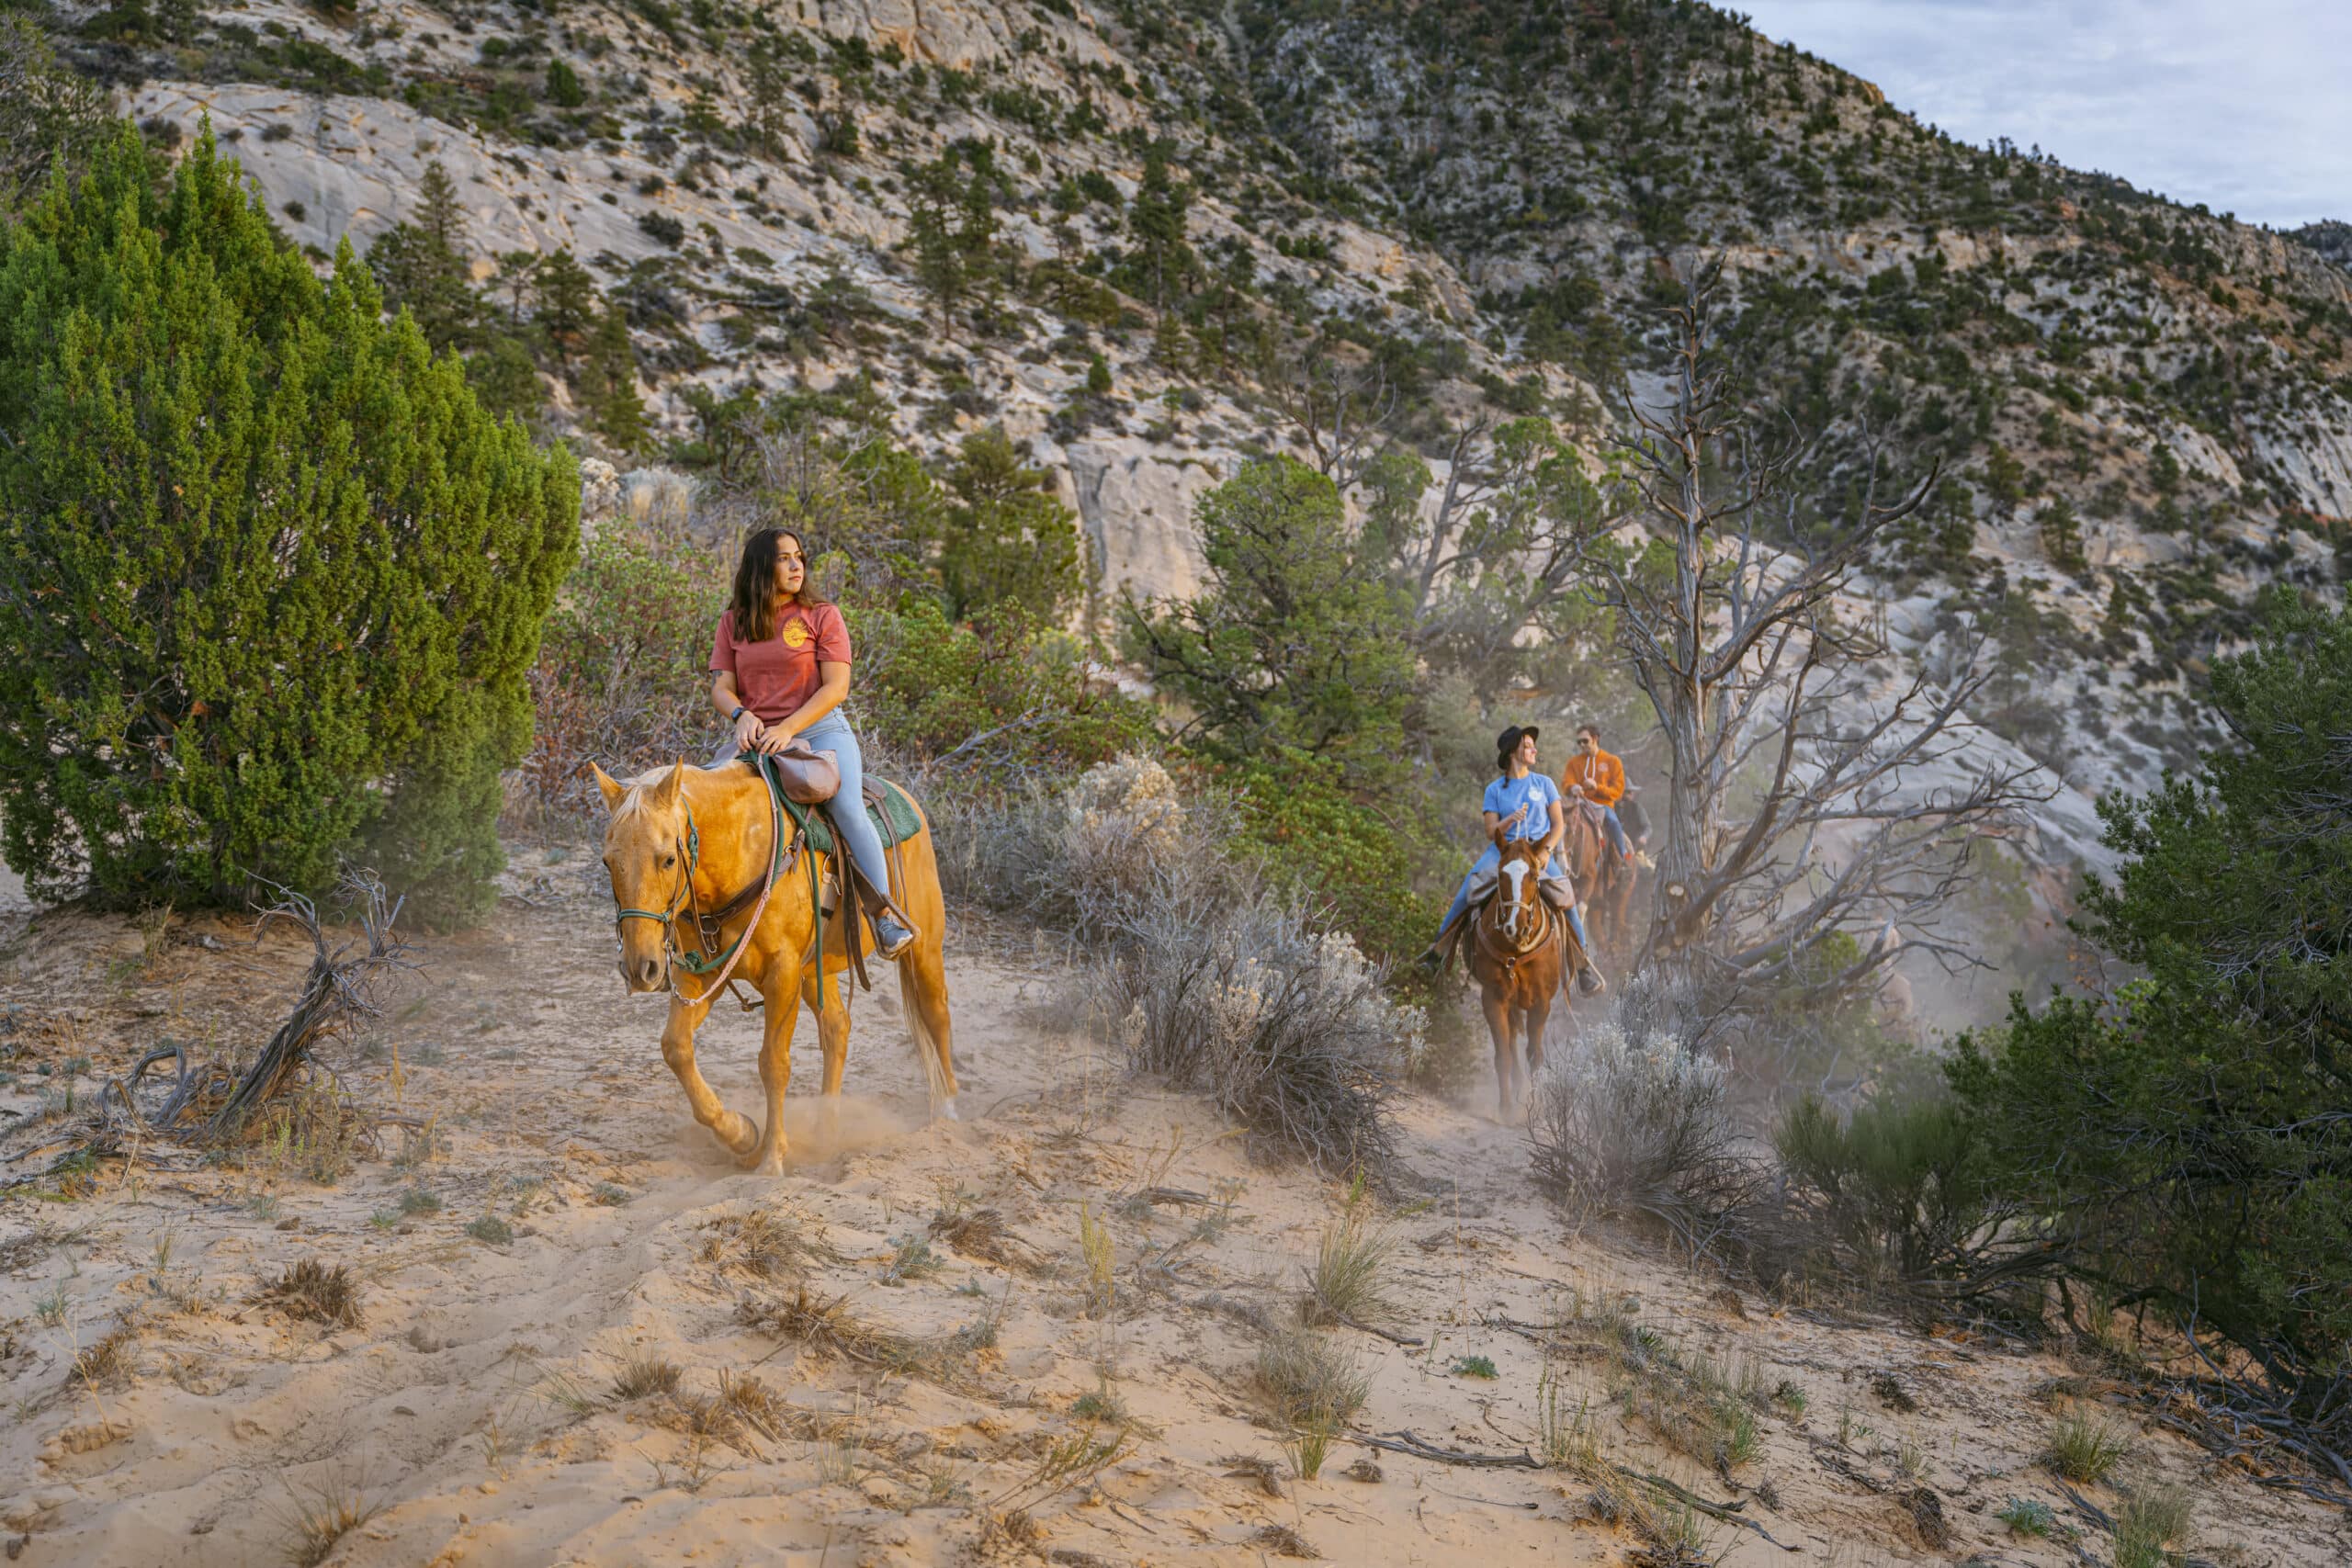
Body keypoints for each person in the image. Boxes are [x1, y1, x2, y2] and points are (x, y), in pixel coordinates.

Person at [708, 526, 915, 959]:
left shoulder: (822, 615)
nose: (796, 565)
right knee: (708, 797)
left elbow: (835, 688)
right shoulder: (734, 621)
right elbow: (722, 688)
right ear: (761, 567)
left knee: (847, 809)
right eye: (784, 558)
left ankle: (885, 917)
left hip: (821, 733)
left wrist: (788, 728)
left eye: (799, 556)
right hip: (760, 738)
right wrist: (740, 714)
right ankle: (704, 916)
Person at [1417, 726, 1605, 994]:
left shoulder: (1544, 783)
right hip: (1502, 852)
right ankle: (1437, 953)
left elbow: (1558, 825)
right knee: (1468, 890)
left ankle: (1583, 967)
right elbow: (1490, 832)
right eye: (1528, 746)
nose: (1534, 750)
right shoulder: (1494, 790)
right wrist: (1510, 820)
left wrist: (1546, 851)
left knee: (1567, 898)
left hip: (1537, 852)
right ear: (1513, 752)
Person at [1561, 724, 1634, 863]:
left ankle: (1623, 853)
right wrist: (1572, 787)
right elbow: (1566, 783)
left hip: (1603, 805)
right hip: (1579, 803)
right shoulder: (1573, 762)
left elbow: (1618, 792)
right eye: (1579, 742)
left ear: (1595, 739)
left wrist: (1597, 787)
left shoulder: (1613, 761)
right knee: (1560, 820)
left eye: (1585, 741)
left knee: (1613, 821)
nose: (1582, 745)